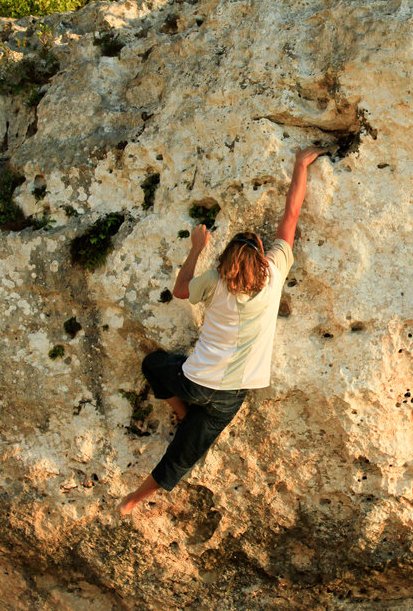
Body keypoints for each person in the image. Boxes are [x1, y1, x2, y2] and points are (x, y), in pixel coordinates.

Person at [118, 146, 327, 516]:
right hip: (230, 395)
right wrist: (300, 165)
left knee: (155, 365)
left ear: (227, 260)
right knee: (185, 453)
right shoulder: (275, 272)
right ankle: (135, 499)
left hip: (195, 381)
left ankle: (182, 411)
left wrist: (196, 248)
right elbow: (291, 214)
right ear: (262, 254)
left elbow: (181, 290)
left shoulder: (216, 281)